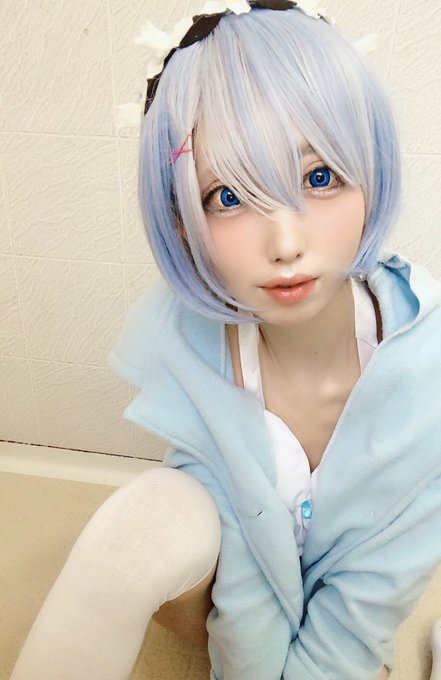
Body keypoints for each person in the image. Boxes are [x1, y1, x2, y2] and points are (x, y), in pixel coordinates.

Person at [10, 2, 441, 679]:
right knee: (149, 515)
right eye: (229, 197)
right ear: (181, 217)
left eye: (319, 177)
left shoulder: (427, 370)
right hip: (222, 599)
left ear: (371, 171)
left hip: (355, 615)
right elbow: (241, 578)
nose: (286, 244)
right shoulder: (192, 350)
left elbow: (374, 588)